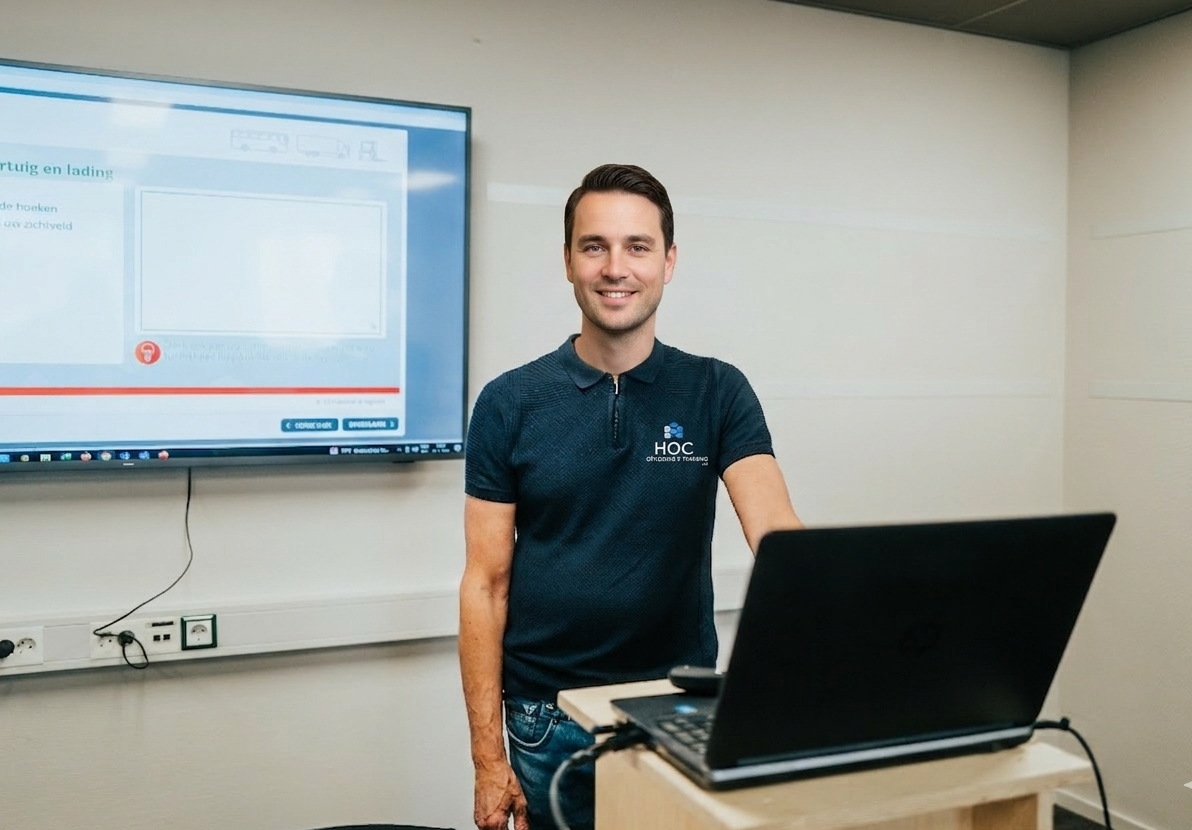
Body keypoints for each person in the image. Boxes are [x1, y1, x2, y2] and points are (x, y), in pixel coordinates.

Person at [458, 163, 802, 830]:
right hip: (545, 721)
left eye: (638, 246)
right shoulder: (510, 402)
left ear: (668, 261)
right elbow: (485, 584)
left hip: (674, 711)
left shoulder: (717, 391)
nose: (617, 267)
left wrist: (852, 610)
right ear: (568, 261)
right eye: (596, 246)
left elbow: (778, 536)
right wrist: (486, 760)